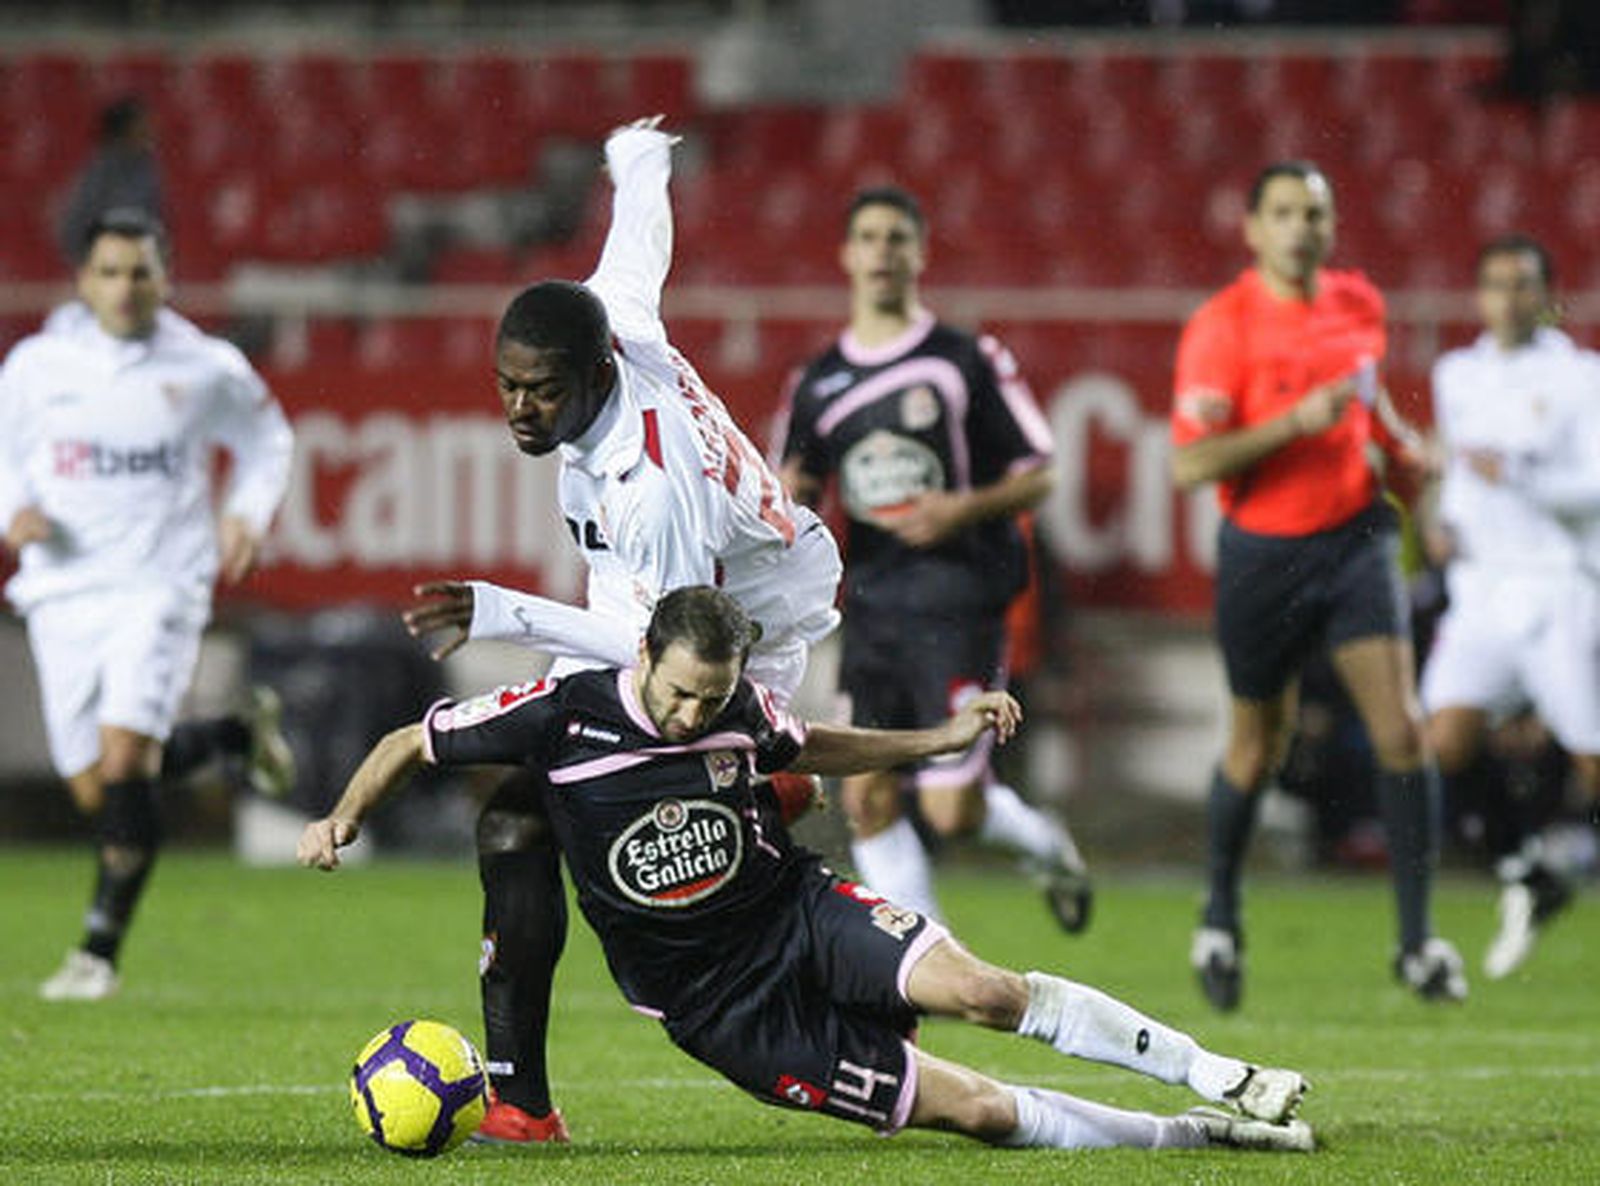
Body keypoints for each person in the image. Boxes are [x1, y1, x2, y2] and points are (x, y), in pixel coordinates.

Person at [300, 585, 1313, 1156]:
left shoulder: (740, 708)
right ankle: (1189, 1139)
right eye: (686, 695)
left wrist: (934, 740)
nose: (699, 716)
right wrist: (340, 816)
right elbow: (409, 739)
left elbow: (813, 741)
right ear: (645, 652)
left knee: (986, 990)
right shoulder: (560, 713)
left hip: (794, 911)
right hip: (717, 1007)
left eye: (717, 698)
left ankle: (1215, 1072)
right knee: (980, 1111)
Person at [398, 117, 843, 1145]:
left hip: (735, 623)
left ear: (594, 376)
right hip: (630, 601)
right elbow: (637, 247)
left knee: (655, 810)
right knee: (511, 817)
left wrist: (504, 612)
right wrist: (638, 158)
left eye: (538, 391)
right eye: (506, 383)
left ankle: (791, 833)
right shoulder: (611, 321)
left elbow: (677, 658)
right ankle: (520, 1103)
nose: (517, 409)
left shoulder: (658, 486)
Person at [1170, 159, 1464, 1010]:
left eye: (1317, 213)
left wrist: (1407, 450)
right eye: (1287, 213)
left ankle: (1417, 944)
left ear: (1331, 229)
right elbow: (1192, 462)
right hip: (1264, 554)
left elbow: (1368, 407)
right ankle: (1220, 914)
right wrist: (1290, 425)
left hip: (1355, 542)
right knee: (1257, 746)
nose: (1303, 227)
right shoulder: (1222, 327)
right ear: (1254, 229)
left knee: (1403, 732)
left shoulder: (1359, 304)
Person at [775, 185, 1091, 932]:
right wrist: (790, 500)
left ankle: (1049, 849)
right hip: (876, 604)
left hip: (960, 599)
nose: (883, 251)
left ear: (919, 253)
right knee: (869, 796)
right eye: (870, 237)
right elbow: (792, 486)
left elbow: (1040, 469)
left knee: (952, 809)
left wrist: (961, 509)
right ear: (847, 256)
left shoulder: (963, 359)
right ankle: (925, 961)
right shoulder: (817, 382)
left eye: (897, 237)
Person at [0, 207, 295, 1001]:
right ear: (82, 280)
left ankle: (96, 954)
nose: (125, 288)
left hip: (159, 583)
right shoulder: (36, 366)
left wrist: (245, 511)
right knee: (98, 783)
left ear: (167, 279)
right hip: (61, 588)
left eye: (141, 272)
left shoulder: (205, 366)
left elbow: (268, 440)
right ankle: (232, 737)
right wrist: (11, 508)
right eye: (110, 272)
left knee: (126, 757)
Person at [1419, 233, 1600, 979]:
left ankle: (1563, 860)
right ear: (1480, 295)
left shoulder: (1581, 377)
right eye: (1495, 284)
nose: (1508, 298)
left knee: (1591, 758)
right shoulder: (1456, 374)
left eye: (1523, 285)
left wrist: (1518, 475)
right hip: (1482, 587)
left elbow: (1593, 486)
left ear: (1548, 296)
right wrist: (1442, 521)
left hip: (1555, 582)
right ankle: (1527, 867)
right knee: (1441, 746)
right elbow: (1458, 470)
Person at [57, 96, 164, 269]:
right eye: (142, 123)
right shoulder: (101, 174)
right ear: (125, 129)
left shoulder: (148, 169)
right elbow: (73, 230)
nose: (150, 129)